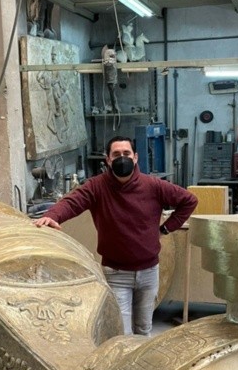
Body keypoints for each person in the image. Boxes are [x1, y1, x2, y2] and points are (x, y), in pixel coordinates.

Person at [33, 136, 198, 336]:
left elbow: (189, 201)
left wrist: (165, 229)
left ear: (135, 157)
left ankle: (140, 367)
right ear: (108, 160)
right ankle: (125, 367)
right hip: (116, 274)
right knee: (122, 332)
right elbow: (71, 202)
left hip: (149, 272)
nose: (122, 158)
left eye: (126, 154)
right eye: (116, 154)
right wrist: (51, 216)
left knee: (144, 329)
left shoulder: (154, 186)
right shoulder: (96, 187)